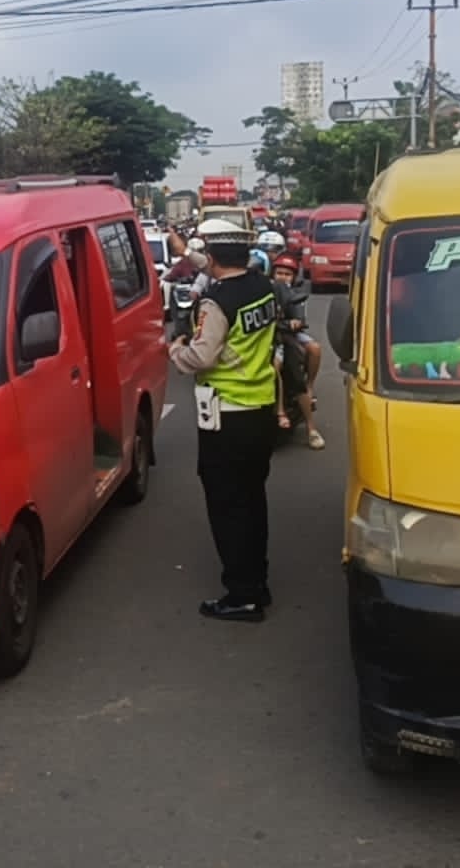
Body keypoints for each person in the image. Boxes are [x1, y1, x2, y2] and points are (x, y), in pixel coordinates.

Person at [165, 220, 279, 622]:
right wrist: (189, 253)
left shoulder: (215, 303)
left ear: (213, 258)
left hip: (226, 417)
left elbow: (202, 356)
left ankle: (241, 595)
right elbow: (215, 267)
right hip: (261, 408)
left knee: (228, 507)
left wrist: (175, 350)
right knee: (252, 501)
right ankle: (257, 582)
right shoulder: (263, 287)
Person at [271, 255, 325, 449]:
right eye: (279, 273)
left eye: (287, 274)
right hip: (267, 339)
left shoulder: (295, 296)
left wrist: (293, 323)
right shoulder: (264, 292)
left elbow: (298, 320)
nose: (283, 277)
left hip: (287, 338)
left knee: (297, 374)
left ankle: (311, 429)